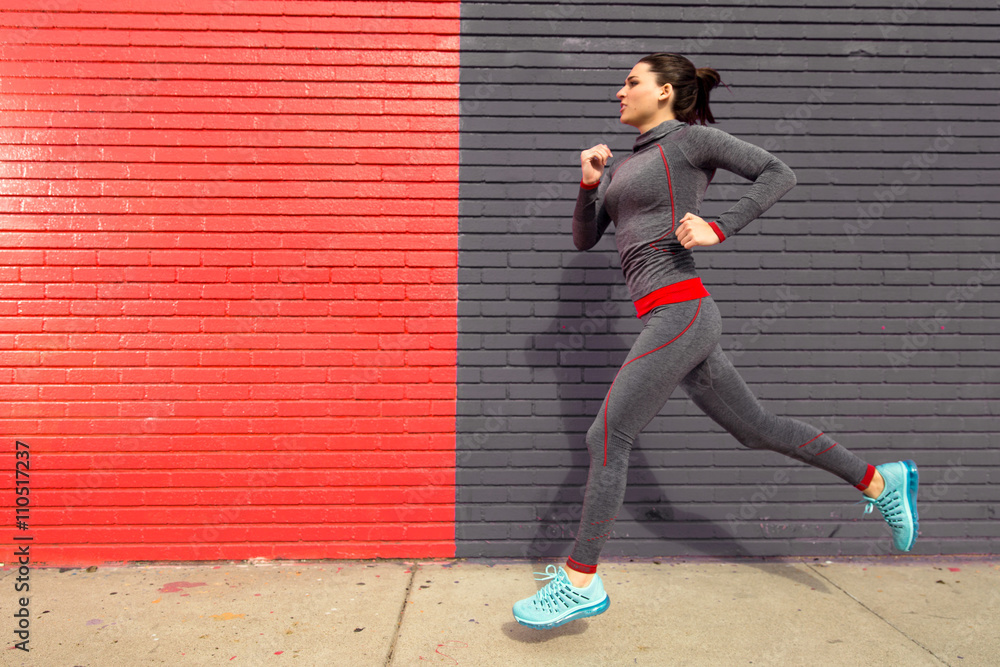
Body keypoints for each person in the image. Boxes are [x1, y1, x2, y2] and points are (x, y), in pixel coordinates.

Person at [511, 53, 919, 631]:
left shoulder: (690, 143)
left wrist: (720, 226)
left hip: (681, 310)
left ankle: (581, 581)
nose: (618, 92)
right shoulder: (627, 165)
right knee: (756, 429)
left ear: (666, 93)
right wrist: (588, 184)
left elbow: (778, 171)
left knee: (607, 434)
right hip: (667, 315)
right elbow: (584, 239)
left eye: (631, 82)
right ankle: (882, 480)